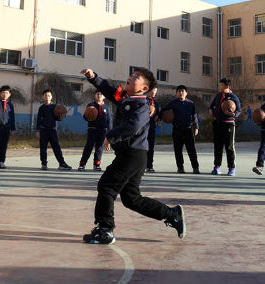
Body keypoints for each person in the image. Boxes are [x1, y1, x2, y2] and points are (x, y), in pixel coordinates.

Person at [80, 67, 186, 244]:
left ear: (144, 88)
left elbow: (133, 126)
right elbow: (108, 88)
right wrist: (93, 77)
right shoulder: (125, 98)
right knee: (131, 199)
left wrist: (111, 137)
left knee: (107, 186)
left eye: (136, 77)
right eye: (131, 75)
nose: (130, 78)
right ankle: (171, 214)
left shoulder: (142, 105)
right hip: (133, 155)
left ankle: (105, 230)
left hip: (132, 155)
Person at [163, 85, 200, 174]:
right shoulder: (173, 103)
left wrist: (196, 127)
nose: (181, 93)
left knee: (191, 150)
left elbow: (194, 116)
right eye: (179, 91)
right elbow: (163, 110)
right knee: (178, 150)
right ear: (176, 93)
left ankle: (195, 168)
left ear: (186, 93)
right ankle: (180, 168)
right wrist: (160, 117)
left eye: (183, 91)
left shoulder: (191, 104)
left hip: (188, 129)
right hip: (177, 129)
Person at [208, 78, 241, 176]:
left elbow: (238, 111)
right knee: (217, 146)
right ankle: (217, 167)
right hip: (217, 123)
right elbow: (211, 106)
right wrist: (211, 111)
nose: (220, 87)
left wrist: (233, 113)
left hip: (229, 124)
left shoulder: (234, 97)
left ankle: (231, 168)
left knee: (229, 147)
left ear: (227, 86)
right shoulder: (218, 96)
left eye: (221, 85)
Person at [36, 89, 72, 170]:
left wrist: (61, 118)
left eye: (49, 95)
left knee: (56, 147)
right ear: (43, 97)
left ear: (51, 97)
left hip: (52, 130)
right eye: (45, 95)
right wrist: (37, 131)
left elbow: (57, 118)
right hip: (43, 130)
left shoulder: (56, 107)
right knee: (43, 148)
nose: (47, 97)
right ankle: (44, 164)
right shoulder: (41, 108)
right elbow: (38, 119)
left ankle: (62, 164)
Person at [79, 91, 111, 171]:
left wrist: (109, 134)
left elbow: (109, 120)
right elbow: (85, 117)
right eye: (97, 94)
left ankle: (96, 164)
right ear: (95, 96)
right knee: (88, 146)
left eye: (101, 94)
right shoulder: (91, 106)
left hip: (103, 130)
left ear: (104, 97)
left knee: (99, 147)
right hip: (92, 129)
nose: (99, 95)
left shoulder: (106, 107)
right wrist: (89, 117)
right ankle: (82, 164)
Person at [145, 86, 160, 173]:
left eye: (155, 91)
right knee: (142, 147)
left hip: (152, 127)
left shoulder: (156, 103)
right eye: (152, 91)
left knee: (151, 147)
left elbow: (158, 113)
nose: (154, 92)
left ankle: (149, 165)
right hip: (143, 127)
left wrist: (159, 119)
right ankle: (141, 165)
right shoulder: (143, 101)